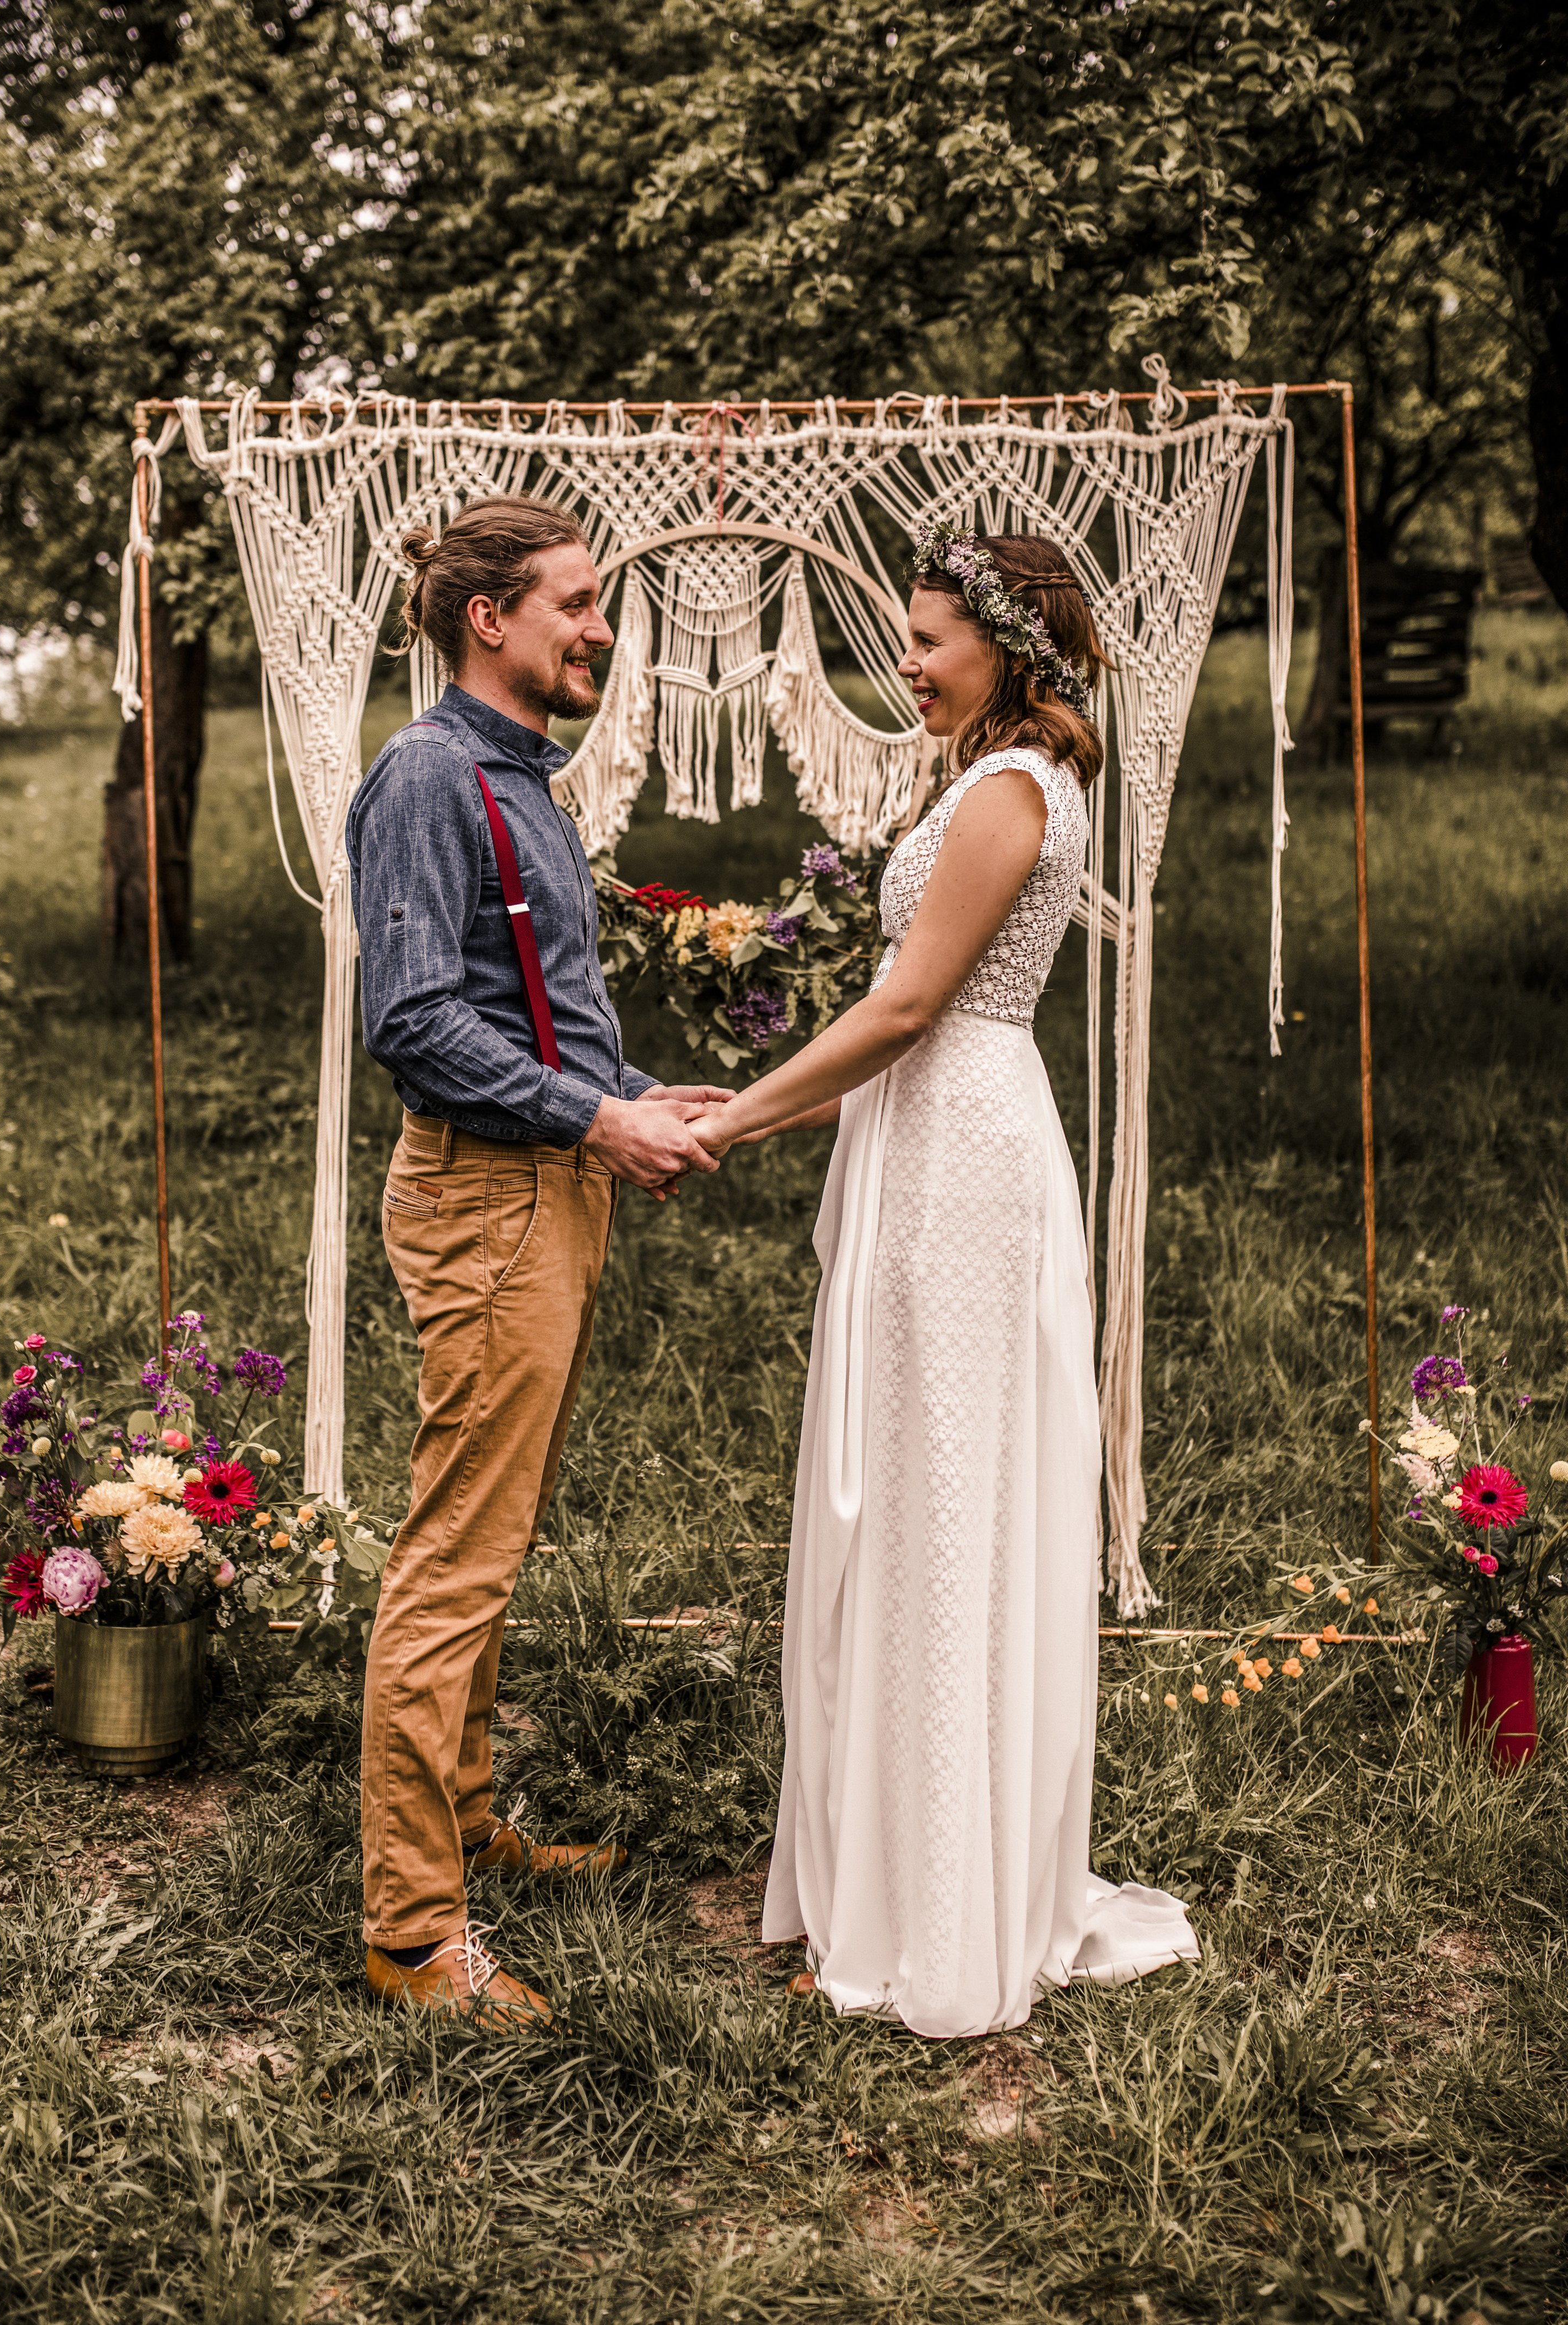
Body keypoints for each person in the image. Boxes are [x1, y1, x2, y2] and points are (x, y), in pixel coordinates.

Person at [687, 525, 1200, 2038]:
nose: (903, 663)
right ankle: (894, 1859)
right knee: (902, 1493)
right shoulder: (995, 775)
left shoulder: (1014, 790)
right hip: (931, 1143)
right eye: (905, 638)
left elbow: (913, 1003)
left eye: (927, 640)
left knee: (948, 1497)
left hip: (964, 1150)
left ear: (1012, 644)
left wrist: (732, 1113)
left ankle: (948, 1901)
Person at [346, 493, 729, 2025]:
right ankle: (411, 1927)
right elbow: (419, 1021)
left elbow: (527, 1004)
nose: (599, 626)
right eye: (572, 602)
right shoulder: (432, 775)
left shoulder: (519, 773)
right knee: (456, 1556)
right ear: (484, 617)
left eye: (598, 601)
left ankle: (468, 1814)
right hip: (487, 1196)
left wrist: (631, 1101)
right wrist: (596, 1115)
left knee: (491, 1541)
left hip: (549, 1179)